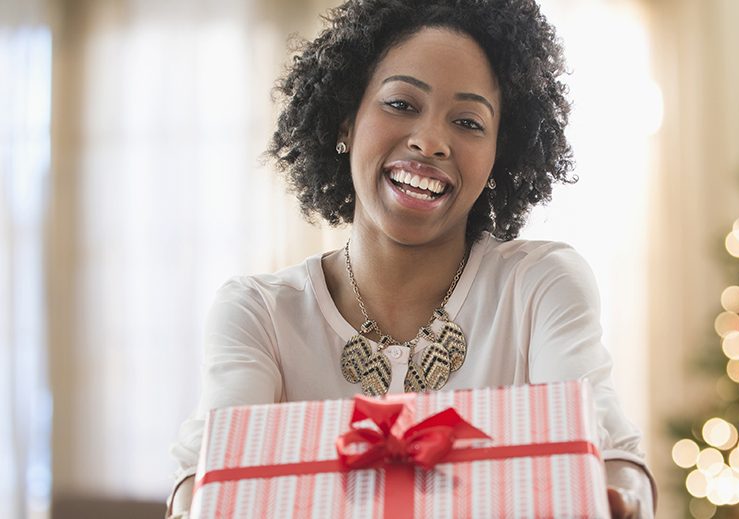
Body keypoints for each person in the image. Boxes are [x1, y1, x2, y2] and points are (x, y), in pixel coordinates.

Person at [167, 0, 655, 517]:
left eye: (469, 121)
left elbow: (605, 444)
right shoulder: (260, 314)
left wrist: (621, 499)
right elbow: (207, 472)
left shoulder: (539, 287)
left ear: (499, 155)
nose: (430, 141)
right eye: (401, 104)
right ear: (344, 122)